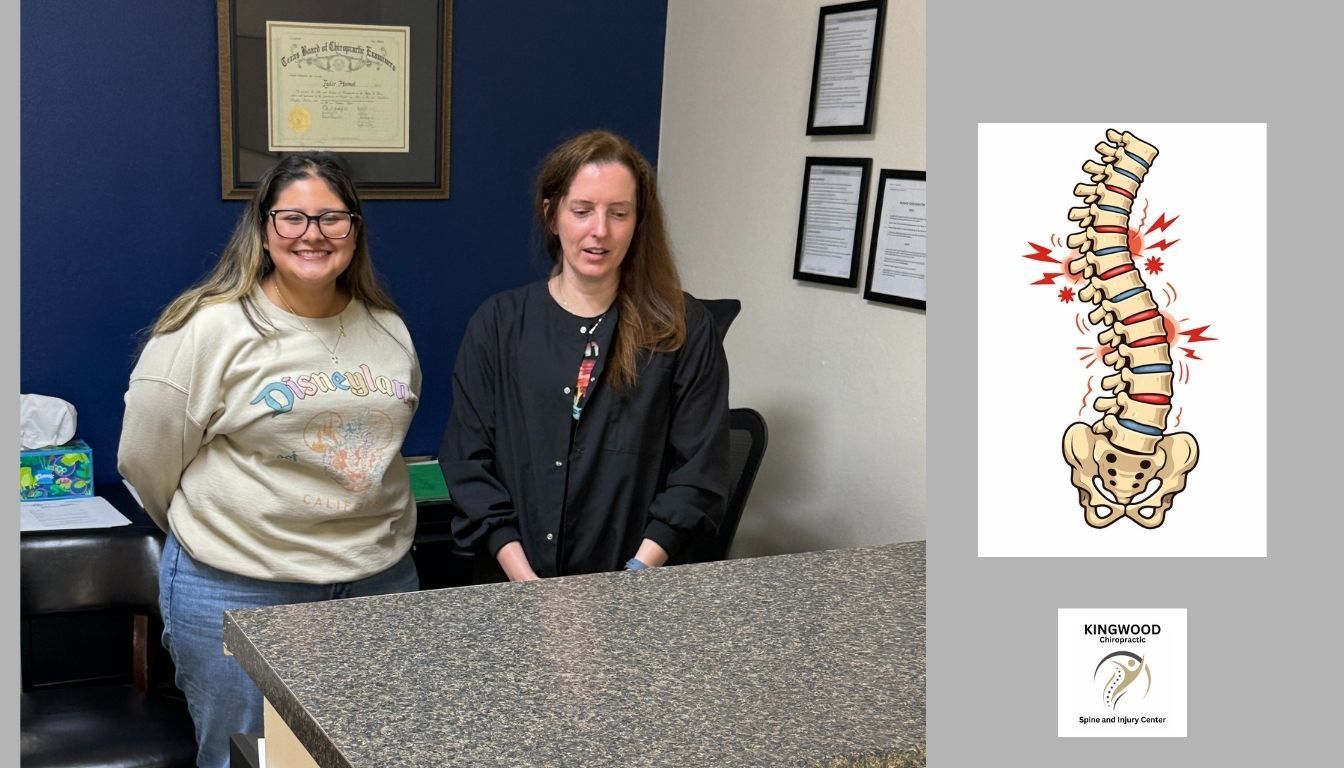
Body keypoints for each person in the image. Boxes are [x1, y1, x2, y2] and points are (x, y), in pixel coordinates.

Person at [117, 152, 421, 768]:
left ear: (355, 231)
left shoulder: (387, 328)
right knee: (248, 760)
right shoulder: (206, 330)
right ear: (262, 229)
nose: (312, 234)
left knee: (371, 756)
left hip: (377, 584)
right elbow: (146, 463)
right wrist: (219, 529)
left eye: (332, 218)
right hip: (240, 588)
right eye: (292, 218)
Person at [439, 130, 730, 581]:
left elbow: (698, 476)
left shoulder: (683, 329)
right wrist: (527, 585)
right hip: (515, 588)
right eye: (582, 211)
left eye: (619, 213)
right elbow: (468, 464)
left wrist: (630, 579)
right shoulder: (497, 324)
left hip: (637, 589)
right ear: (551, 214)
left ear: (638, 222)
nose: (600, 230)